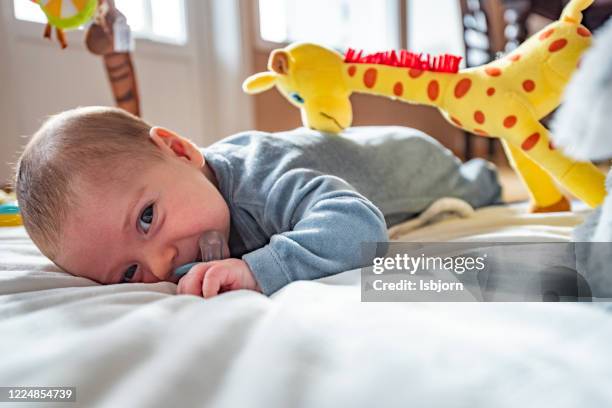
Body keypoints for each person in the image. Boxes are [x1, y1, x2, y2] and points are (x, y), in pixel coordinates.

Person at [13, 106, 502, 298]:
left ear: (181, 151)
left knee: (477, 186)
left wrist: (262, 268)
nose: (161, 262)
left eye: (146, 218)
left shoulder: (260, 179)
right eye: (128, 272)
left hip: (412, 161)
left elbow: (358, 225)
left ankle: (482, 175)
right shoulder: (196, 203)